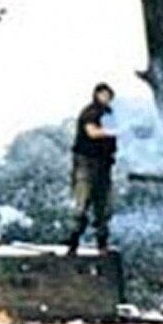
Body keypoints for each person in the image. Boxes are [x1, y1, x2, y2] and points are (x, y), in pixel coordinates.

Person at [64, 82, 118, 255]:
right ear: (97, 95)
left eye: (109, 96)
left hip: (104, 165)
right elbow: (92, 132)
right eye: (104, 95)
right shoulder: (91, 112)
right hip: (86, 165)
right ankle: (73, 243)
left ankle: (102, 244)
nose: (106, 99)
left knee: (104, 208)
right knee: (82, 206)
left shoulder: (110, 114)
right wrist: (117, 131)